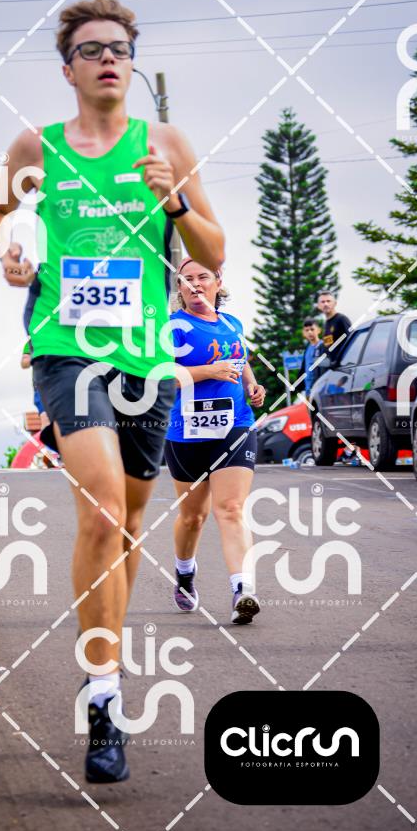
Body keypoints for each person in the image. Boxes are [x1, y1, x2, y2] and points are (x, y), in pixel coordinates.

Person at [0, 0, 224, 783]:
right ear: (69, 69)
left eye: (120, 47)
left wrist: (174, 201)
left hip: (146, 360)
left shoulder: (166, 144)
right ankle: (106, 700)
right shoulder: (38, 146)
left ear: (132, 62)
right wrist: (10, 249)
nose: (109, 58)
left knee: (130, 526)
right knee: (104, 510)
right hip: (66, 351)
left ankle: (101, 661)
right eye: (92, 49)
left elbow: (215, 249)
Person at [164, 258, 266, 625]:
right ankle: (185, 572)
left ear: (217, 282)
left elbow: (240, 359)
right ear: (180, 288)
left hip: (235, 425)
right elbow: (161, 375)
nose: (195, 284)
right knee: (193, 517)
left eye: (202, 277)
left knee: (232, 508)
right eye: (187, 279)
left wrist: (251, 385)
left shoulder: (232, 323)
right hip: (186, 431)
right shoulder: (173, 327)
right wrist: (209, 371)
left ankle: (243, 590)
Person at [316, 291, 351, 363]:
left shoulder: (341, 319)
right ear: (318, 306)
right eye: (322, 302)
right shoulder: (326, 324)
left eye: (328, 301)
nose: (326, 304)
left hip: (343, 364)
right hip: (330, 365)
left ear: (335, 303)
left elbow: (351, 342)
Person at [299, 317, 322, 394]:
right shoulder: (307, 350)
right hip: (308, 390)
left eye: (312, 329)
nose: (309, 332)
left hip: (320, 389)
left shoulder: (323, 346)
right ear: (303, 333)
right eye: (307, 330)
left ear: (318, 330)